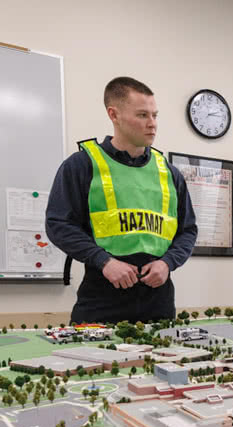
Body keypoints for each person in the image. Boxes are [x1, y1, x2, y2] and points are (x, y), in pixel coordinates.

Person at [46, 77, 197, 325]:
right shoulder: (82, 165)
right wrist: (103, 261)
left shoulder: (170, 173)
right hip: (102, 298)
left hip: (158, 300)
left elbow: (188, 230)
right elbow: (58, 224)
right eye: (142, 115)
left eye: (155, 115)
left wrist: (168, 263)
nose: (152, 124)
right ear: (113, 115)